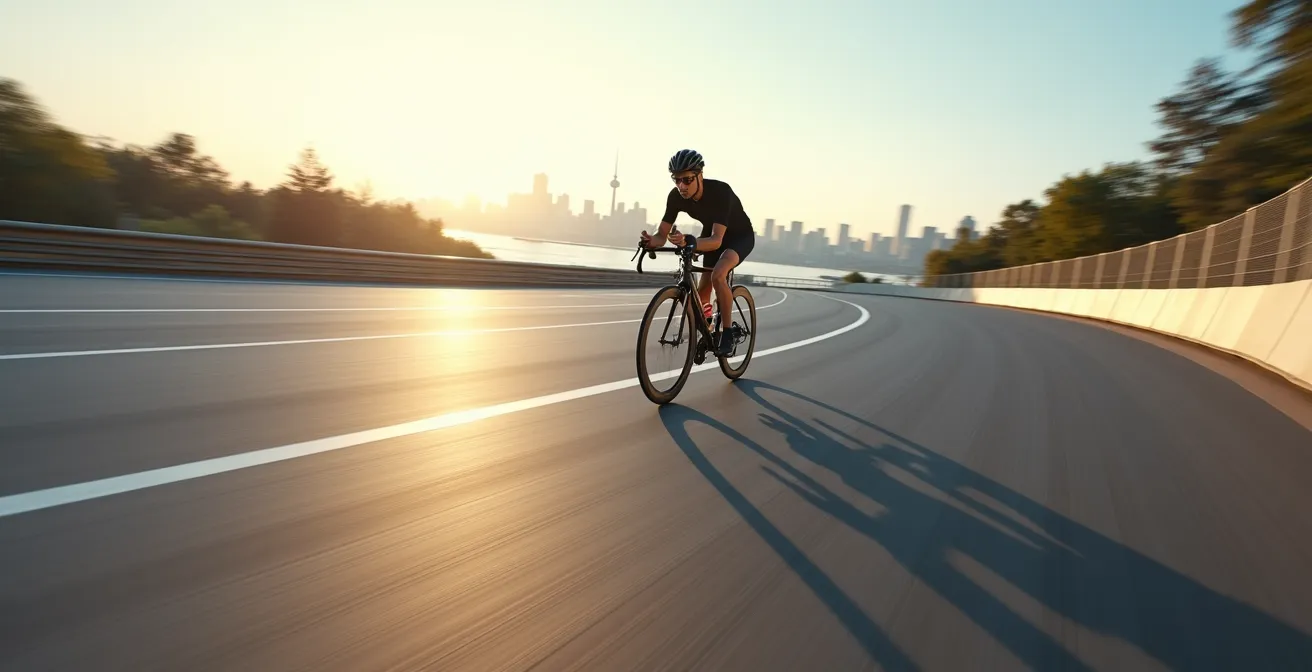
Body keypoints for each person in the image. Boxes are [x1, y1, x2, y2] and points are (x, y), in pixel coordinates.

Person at [640, 148, 756, 357]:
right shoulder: (676, 197)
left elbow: (717, 240)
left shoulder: (720, 192)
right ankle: (708, 330)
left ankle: (727, 333)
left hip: (738, 237)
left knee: (718, 275)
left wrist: (689, 241)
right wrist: (651, 242)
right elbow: (661, 235)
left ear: (699, 175)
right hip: (711, 235)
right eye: (676, 180)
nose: (681, 186)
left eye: (687, 180)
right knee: (702, 292)